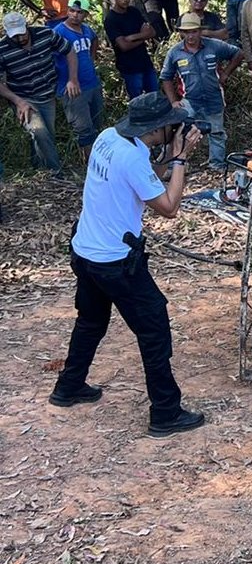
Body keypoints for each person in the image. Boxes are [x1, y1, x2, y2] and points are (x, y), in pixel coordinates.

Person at [48, 92, 207, 438]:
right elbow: (168, 206)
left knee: (90, 322)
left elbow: (147, 177)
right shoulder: (132, 158)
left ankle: (69, 386)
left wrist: (171, 157)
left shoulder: (109, 137)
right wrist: (180, 160)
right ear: (158, 128)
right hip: (116, 262)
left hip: (87, 251)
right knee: (154, 330)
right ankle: (165, 412)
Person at [160, 13, 243, 170]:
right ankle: (175, 166)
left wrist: (225, 73)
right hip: (189, 100)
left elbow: (238, 53)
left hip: (214, 98)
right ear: (181, 32)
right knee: (180, 131)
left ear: (200, 31)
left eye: (194, 31)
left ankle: (217, 165)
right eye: (186, 32)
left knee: (217, 132)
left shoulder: (214, 45)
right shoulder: (175, 52)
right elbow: (166, 78)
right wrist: (173, 102)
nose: (190, 36)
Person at [0, 12, 78, 175]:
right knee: (40, 132)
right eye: (15, 37)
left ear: (27, 27)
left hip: (47, 94)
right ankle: (56, 173)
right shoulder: (2, 49)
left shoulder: (45, 34)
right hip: (24, 99)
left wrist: (73, 79)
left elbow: (69, 50)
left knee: (47, 135)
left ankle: (37, 168)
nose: (20, 39)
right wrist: (18, 101)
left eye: (22, 34)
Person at [53, 0, 105, 162]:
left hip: (92, 83)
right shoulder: (59, 32)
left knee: (97, 123)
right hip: (72, 88)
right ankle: (89, 164)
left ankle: (101, 161)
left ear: (86, 14)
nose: (75, 15)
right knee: (83, 129)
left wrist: (92, 57)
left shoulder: (86, 29)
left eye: (79, 12)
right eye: (72, 11)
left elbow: (94, 38)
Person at [104, 0, 160, 99]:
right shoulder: (111, 19)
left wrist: (132, 37)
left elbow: (152, 32)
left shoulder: (134, 12)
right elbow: (123, 46)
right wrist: (143, 36)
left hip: (145, 63)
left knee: (155, 97)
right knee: (138, 102)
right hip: (129, 68)